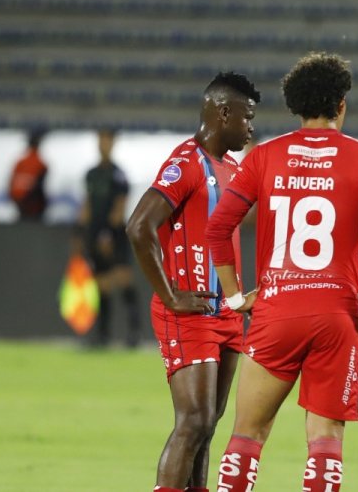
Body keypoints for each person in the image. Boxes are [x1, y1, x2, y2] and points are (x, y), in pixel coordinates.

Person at [205, 52, 358, 492]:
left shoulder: (264, 157)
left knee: (247, 436)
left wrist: (235, 298)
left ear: (296, 106)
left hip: (276, 310)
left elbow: (219, 227)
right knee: (325, 441)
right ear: (341, 104)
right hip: (337, 316)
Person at [125, 72, 260, 492]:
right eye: (247, 117)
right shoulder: (187, 162)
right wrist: (169, 295)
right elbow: (139, 226)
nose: (250, 128)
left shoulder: (232, 167)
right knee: (194, 421)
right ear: (224, 112)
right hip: (189, 310)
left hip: (225, 313)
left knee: (208, 427)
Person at [75, 128, 140, 347]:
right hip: (95, 233)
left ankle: (134, 333)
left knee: (123, 278)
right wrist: (81, 232)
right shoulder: (91, 174)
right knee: (101, 283)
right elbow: (87, 205)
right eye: (101, 140)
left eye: (107, 140)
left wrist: (108, 234)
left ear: (113, 144)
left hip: (114, 235)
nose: (104, 144)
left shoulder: (118, 174)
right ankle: (103, 335)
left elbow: (120, 207)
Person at [9, 128, 48, 222]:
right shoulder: (40, 164)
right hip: (34, 208)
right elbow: (39, 189)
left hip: (21, 206)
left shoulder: (19, 164)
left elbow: (11, 187)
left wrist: (19, 203)